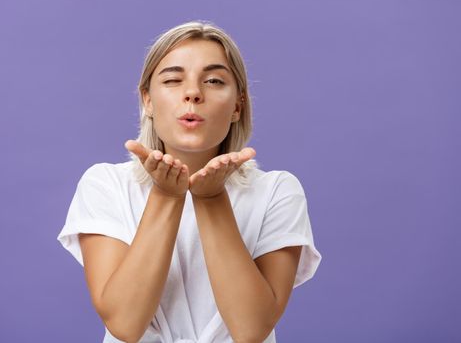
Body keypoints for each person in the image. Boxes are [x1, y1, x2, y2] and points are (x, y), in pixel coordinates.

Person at [57, 20, 322, 343]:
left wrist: (212, 200)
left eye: (213, 80)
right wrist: (166, 196)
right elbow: (125, 323)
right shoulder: (105, 184)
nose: (193, 93)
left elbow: (251, 330)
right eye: (172, 79)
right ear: (148, 101)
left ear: (238, 105)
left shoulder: (278, 191)